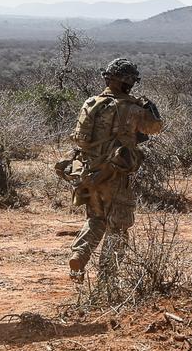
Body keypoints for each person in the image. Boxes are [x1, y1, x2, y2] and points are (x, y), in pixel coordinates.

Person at [65, 58, 164, 280]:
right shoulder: (131, 108)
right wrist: (149, 107)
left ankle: (79, 256)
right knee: (118, 227)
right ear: (127, 83)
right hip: (115, 175)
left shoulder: (91, 103)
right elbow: (155, 127)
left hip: (88, 173)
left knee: (95, 219)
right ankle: (107, 278)